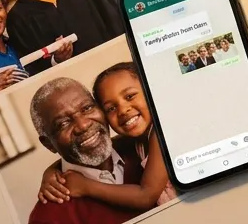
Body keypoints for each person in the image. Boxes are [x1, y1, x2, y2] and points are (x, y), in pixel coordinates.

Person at [26, 78, 148, 224]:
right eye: (63, 123)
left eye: (87, 108)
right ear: (49, 144)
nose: (83, 125)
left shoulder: (143, 147)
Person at [38, 63, 176, 212]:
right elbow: (85, 146)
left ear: (151, 89)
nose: (123, 110)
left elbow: (145, 196)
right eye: (111, 108)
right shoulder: (138, 140)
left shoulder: (163, 132)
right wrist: (52, 170)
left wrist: (86, 186)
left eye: (129, 96)